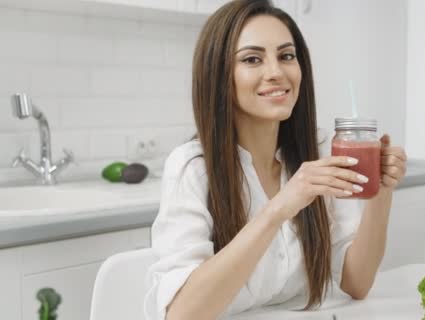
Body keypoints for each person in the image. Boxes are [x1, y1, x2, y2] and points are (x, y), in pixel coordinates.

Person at [143, 0, 407, 319]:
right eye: (252, 59)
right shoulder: (192, 167)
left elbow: (357, 283)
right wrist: (280, 208)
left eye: (286, 56)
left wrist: (380, 191)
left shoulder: (319, 153)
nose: (276, 72)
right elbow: (182, 314)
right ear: (219, 75)